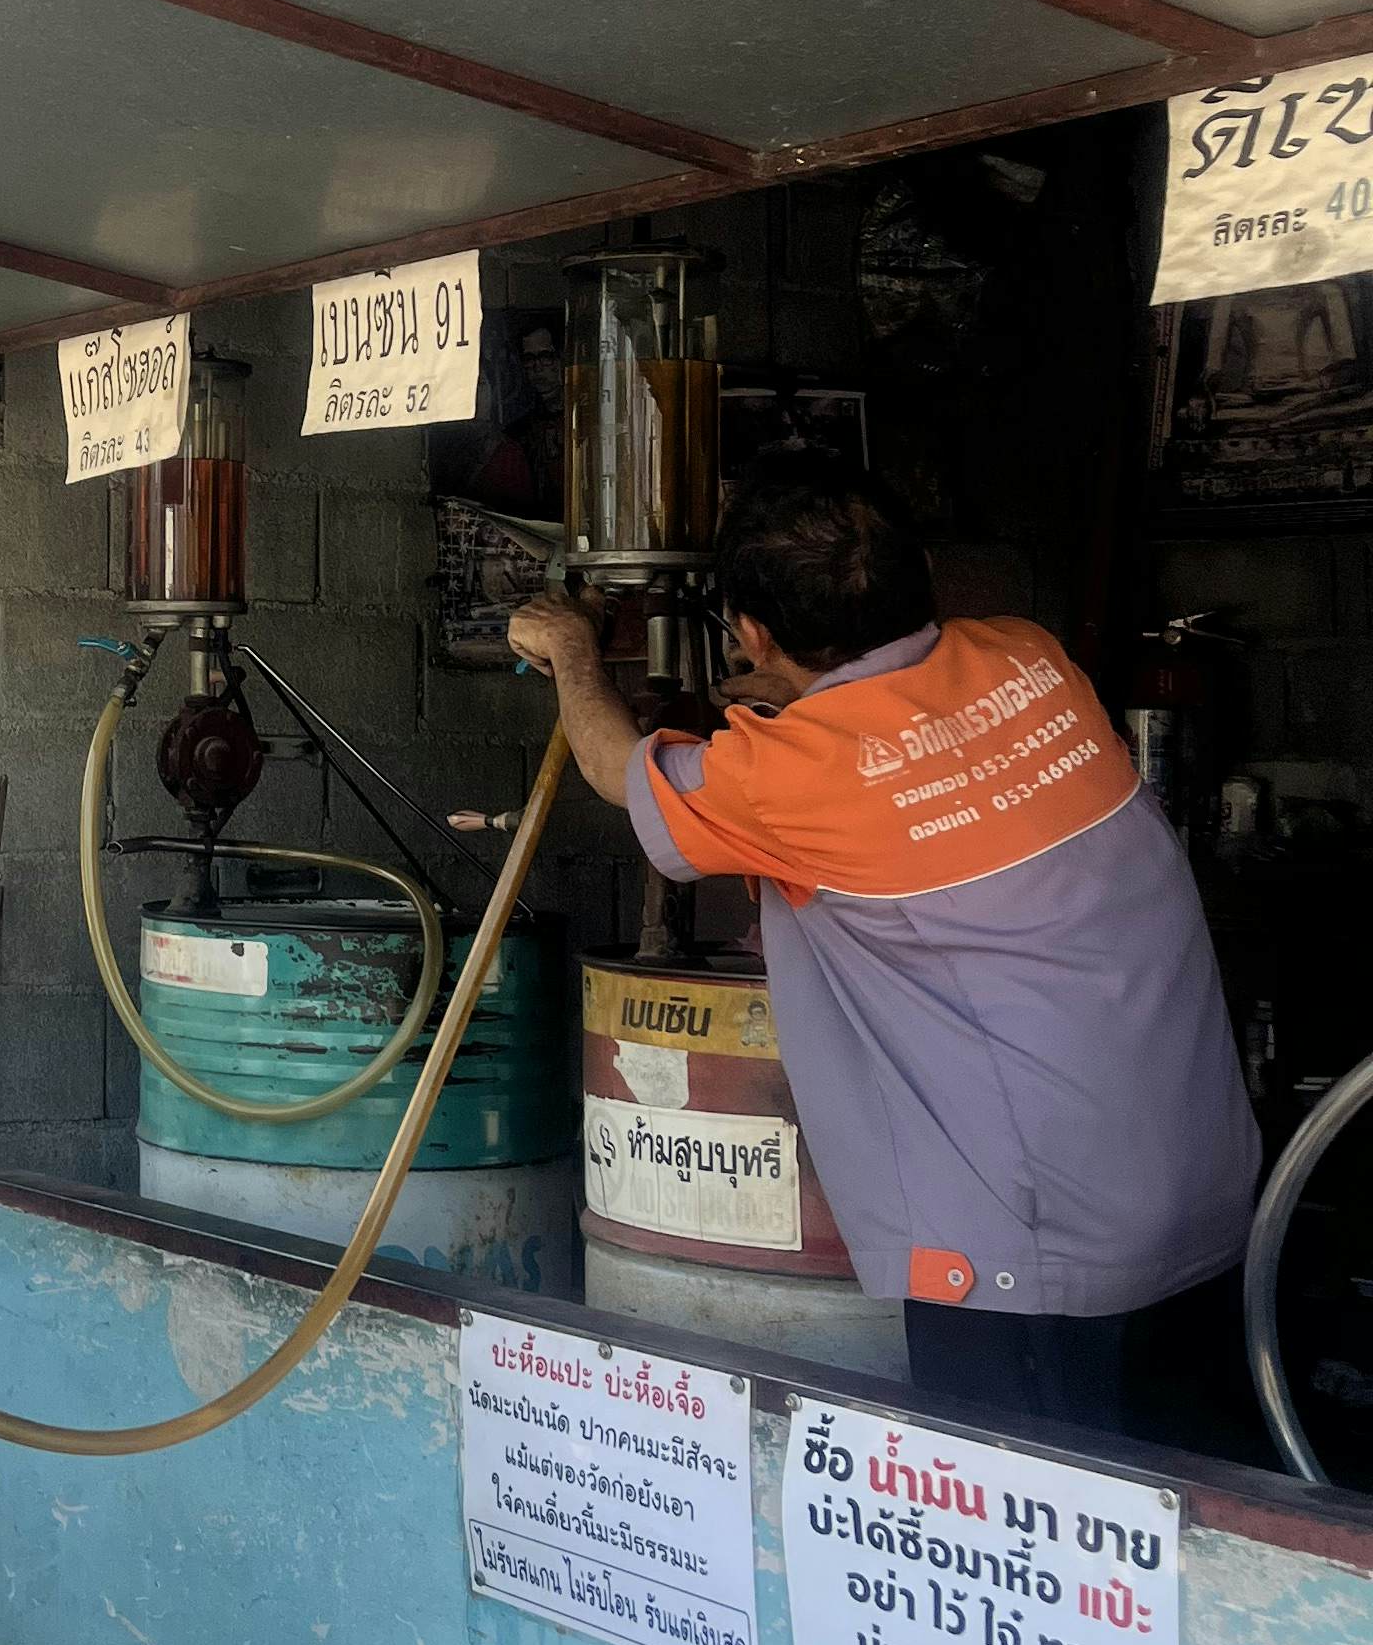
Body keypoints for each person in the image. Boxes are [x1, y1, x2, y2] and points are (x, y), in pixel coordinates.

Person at [509, 460, 1261, 1451]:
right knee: (1198, 1530)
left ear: (754, 632)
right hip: (1207, 1203)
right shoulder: (1031, 660)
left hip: (1033, 1262)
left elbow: (617, 768)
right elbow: (905, 752)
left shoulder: (786, 775)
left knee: (1028, 1551)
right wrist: (789, 704)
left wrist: (570, 651)